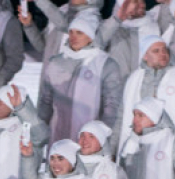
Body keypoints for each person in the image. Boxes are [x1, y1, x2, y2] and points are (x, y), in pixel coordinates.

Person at [37, 13, 122, 144]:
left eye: (79, 33)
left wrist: (103, 138)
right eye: (71, 32)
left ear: (90, 37)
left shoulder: (105, 64)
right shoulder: (56, 62)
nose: (73, 37)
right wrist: (38, 133)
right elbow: (45, 102)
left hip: (88, 141)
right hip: (58, 136)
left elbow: (112, 106)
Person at [113, 33, 175, 153]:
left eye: (164, 50)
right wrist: (113, 149)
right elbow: (121, 118)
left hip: (174, 149)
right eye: (156, 51)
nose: (163, 54)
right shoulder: (132, 79)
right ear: (145, 56)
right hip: (138, 150)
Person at [19, 0, 104, 72]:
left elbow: (64, 25)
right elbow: (42, 47)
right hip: (50, 75)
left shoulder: (92, 19)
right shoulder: (63, 11)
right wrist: (29, 25)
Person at [99, 0, 160, 76]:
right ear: (122, 4)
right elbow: (96, 44)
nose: (142, 5)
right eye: (135, 1)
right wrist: (117, 20)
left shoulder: (152, 26)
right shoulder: (111, 27)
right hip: (116, 83)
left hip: (144, 82)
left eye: (142, 1)